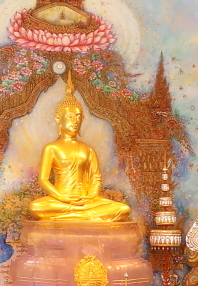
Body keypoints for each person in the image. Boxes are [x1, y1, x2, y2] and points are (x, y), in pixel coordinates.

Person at [29, 73, 131, 222]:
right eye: (70, 117)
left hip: (86, 201)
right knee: (36, 207)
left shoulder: (88, 149)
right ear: (58, 119)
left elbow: (96, 178)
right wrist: (61, 197)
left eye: (78, 117)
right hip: (61, 200)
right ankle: (82, 215)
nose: (75, 121)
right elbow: (43, 179)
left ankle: (74, 215)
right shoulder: (51, 148)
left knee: (123, 210)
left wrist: (90, 197)